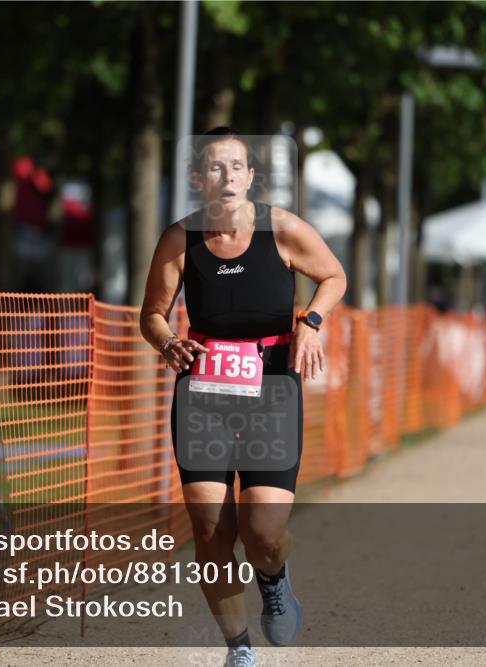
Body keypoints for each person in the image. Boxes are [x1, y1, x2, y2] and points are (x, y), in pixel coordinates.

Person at [139, 127, 346, 666]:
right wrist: (168, 342)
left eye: (236, 166)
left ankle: (273, 577)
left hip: (272, 388)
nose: (226, 176)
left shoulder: (282, 229)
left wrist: (311, 323)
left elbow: (333, 276)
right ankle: (239, 649)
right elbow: (153, 314)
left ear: (251, 176)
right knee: (211, 530)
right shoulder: (180, 239)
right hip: (202, 393)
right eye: (215, 167)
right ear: (197, 178)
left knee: (263, 532)